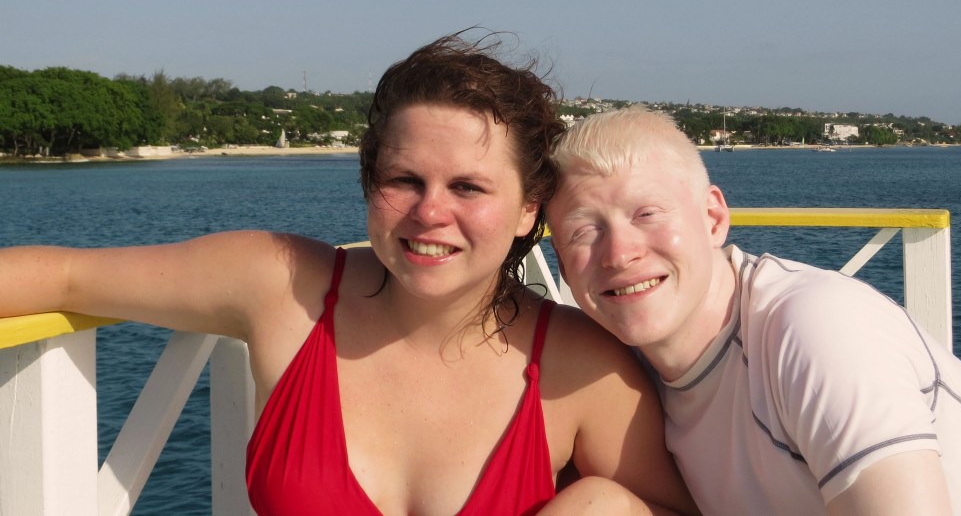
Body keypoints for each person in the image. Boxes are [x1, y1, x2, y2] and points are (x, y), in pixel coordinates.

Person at [0, 36, 697, 516]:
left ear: (526, 211)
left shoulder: (583, 369)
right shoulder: (282, 287)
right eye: (403, 179)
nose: (430, 213)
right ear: (369, 184)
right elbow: (62, 278)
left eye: (468, 188)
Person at [545, 106, 961, 516]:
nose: (618, 254)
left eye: (647, 213)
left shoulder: (817, 326)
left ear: (713, 218)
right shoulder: (624, 375)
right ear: (564, 267)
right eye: (582, 232)